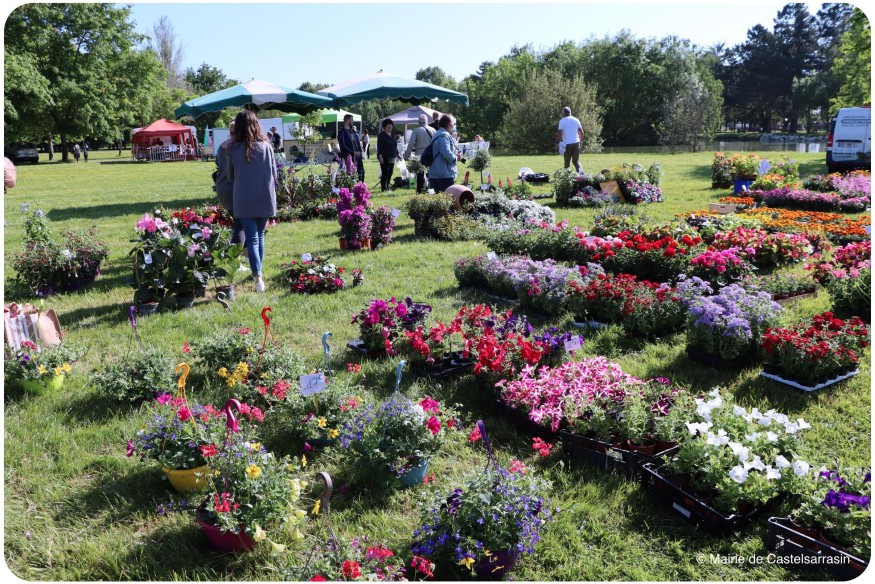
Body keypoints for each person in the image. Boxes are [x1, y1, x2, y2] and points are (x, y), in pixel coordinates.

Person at [227, 110, 277, 293]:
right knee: (259, 237)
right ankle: (258, 274)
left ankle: (258, 278)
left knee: (253, 239)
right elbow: (274, 173)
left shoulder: (233, 149)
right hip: (265, 197)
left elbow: (230, 176)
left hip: (244, 198)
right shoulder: (266, 146)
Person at [214, 121, 245, 247]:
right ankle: (235, 257)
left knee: (239, 223)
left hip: (222, 188)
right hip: (235, 189)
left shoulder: (222, 146)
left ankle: (244, 253)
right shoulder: (239, 147)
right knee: (240, 225)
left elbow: (217, 164)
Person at [428, 114, 461, 193]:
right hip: (443, 174)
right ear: (449, 124)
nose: (453, 126)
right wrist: (457, 158)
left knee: (436, 200)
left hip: (436, 173)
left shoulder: (437, 134)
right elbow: (446, 153)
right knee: (447, 199)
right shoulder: (443, 136)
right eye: (453, 124)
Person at [404, 114, 436, 193]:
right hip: (431, 154)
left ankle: (420, 192)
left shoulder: (416, 130)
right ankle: (431, 191)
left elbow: (411, 144)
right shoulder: (433, 130)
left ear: (418, 122)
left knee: (420, 175)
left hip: (419, 155)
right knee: (431, 175)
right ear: (427, 121)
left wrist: (407, 155)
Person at [556, 106, 584, 173]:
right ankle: (582, 175)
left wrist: (557, 142)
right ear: (570, 112)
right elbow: (581, 132)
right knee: (576, 162)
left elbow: (559, 132)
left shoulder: (562, 121)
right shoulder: (576, 120)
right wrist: (580, 141)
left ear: (563, 113)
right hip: (576, 143)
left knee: (567, 163)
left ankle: (567, 179)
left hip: (567, 144)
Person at [338, 114, 364, 181]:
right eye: (352, 120)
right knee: (350, 175)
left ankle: (361, 189)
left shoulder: (354, 132)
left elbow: (358, 143)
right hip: (348, 157)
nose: (353, 122)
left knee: (361, 172)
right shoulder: (342, 133)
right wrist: (353, 152)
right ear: (347, 120)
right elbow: (343, 146)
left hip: (358, 156)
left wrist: (359, 152)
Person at [377, 119, 398, 192]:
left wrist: (397, 154)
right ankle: (384, 188)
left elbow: (394, 145)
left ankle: (387, 185)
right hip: (384, 156)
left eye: (391, 125)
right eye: (388, 125)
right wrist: (380, 156)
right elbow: (379, 146)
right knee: (385, 172)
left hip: (392, 155)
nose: (390, 126)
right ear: (384, 127)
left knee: (390, 172)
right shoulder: (381, 135)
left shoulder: (392, 134)